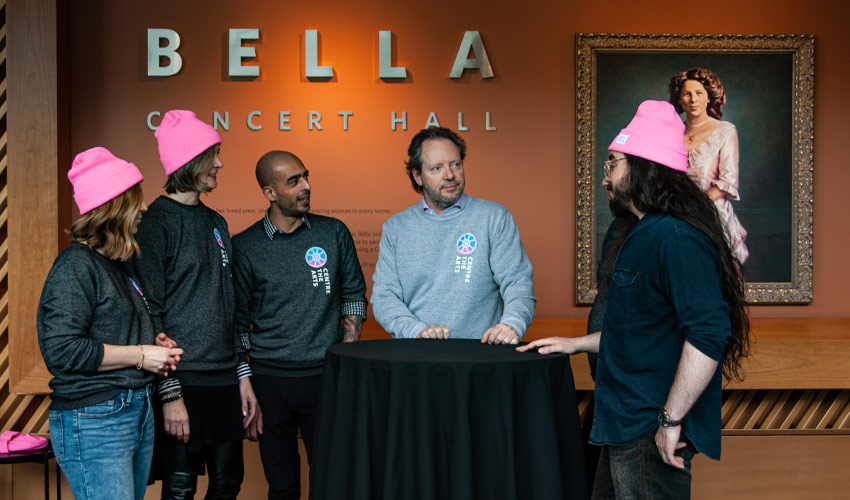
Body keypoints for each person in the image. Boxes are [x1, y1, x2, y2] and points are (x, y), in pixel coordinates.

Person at [519, 101, 750, 498]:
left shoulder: (677, 238)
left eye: (612, 164)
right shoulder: (639, 234)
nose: (605, 178)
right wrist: (574, 344)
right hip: (621, 423)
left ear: (643, 166)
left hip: (649, 428)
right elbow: (639, 332)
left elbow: (708, 335)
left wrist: (670, 419)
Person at [37, 147, 183, 500]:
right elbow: (61, 351)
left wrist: (152, 341)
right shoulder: (75, 267)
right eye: (136, 199)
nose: (146, 208)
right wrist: (139, 354)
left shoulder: (120, 264)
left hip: (132, 409)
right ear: (113, 206)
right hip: (95, 419)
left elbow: (115, 326)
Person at [135, 110, 258, 499]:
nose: (220, 164)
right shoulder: (157, 222)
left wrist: (242, 374)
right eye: (212, 155)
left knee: (228, 484)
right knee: (181, 488)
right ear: (187, 161)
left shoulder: (217, 222)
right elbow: (148, 312)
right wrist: (169, 393)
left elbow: (232, 306)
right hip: (181, 380)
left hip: (223, 379)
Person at [232, 151, 367, 499]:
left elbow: (353, 295)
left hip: (325, 376)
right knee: (282, 483)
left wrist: (346, 359)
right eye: (294, 181)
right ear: (270, 193)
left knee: (332, 478)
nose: (306, 186)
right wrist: (245, 379)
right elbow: (237, 320)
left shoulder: (333, 232)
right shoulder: (245, 247)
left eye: (306, 177)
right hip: (269, 381)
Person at [371, 127, 535, 344]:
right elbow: (384, 297)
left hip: (479, 356)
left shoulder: (495, 218)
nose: (450, 175)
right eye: (437, 168)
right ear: (418, 176)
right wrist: (415, 331)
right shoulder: (396, 227)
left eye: (455, 164)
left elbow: (517, 283)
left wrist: (511, 324)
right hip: (416, 354)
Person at [669, 67, 749, 264]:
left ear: (708, 98)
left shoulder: (725, 130)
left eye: (699, 93)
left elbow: (728, 180)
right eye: (687, 94)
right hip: (673, 213)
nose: (693, 100)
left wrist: (694, 208)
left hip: (712, 214)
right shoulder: (671, 131)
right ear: (680, 100)